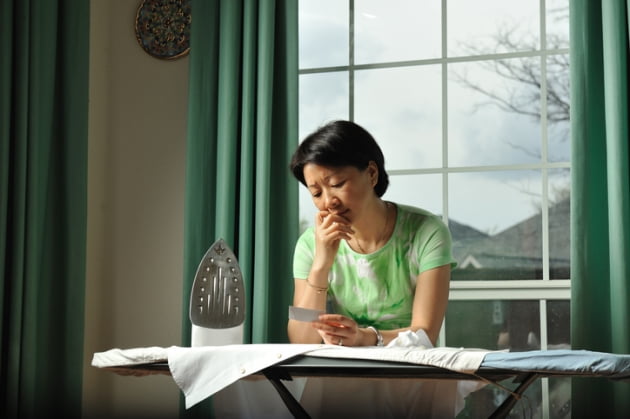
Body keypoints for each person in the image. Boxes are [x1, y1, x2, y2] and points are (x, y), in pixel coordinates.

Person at [287, 120, 457, 348]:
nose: (329, 202)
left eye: (337, 183)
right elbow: (300, 340)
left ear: (371, 174)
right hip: (343, 373)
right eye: (316, 193)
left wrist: (365, 337)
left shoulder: (426, 231)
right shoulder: (310, 244)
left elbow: (426, 334)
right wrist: (321, 263)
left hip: (411, 371)